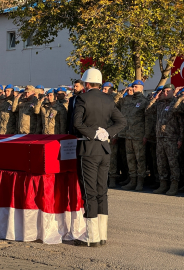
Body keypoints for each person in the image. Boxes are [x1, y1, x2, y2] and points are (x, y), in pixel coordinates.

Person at [73, 67, 126, 247]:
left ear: (86, 84)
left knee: (90, 192)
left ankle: (92, 237)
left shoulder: (82, 98)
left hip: (88, 149)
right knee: (102, 191)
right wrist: (107, 132)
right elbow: (122, 121)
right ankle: (102, 235)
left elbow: (76, 124)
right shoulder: (108, 99)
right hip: (104, 150)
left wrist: (93, 134)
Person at [146, 84, 183, 196]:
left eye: (168, 91)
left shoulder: (176, 104)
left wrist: (181, 138)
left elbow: (181, 123)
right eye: (164, 92)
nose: (165, 93)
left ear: (173, 91)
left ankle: (174, 185)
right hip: (160, 138)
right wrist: (155, 98)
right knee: (161, 163)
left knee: (173, 163)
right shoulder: (160, 104)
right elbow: (148, 111)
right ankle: (163, 184)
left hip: (171, 138)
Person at [114, 80, 150, 191]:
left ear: (141, 88)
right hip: (128, 135)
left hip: (139, 135)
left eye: (135, 87)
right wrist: (121, 92)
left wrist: (146, 135)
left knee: (140, 159)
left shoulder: (144, 101)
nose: (133, 88)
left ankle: (140, 182)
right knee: (130, 159)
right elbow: (115, 104)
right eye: (132, 86)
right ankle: (132, 180)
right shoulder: (127, 101)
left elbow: (147, 120)